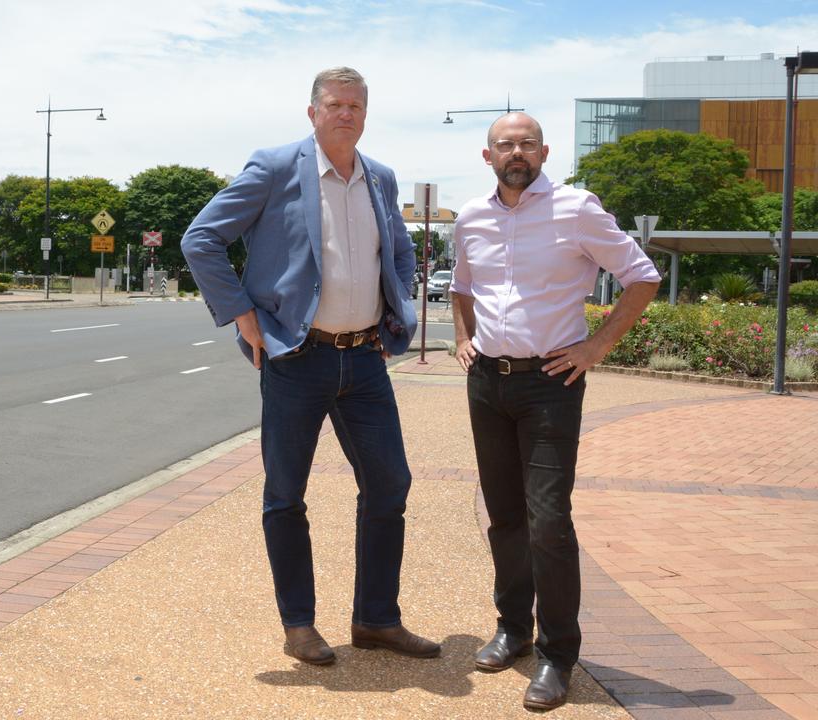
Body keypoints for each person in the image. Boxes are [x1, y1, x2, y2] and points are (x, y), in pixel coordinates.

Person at [182, 66, 438, 666]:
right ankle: (299, 625)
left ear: (366, 113)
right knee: (285, 494)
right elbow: (202, 239)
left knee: (390, 484)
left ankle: (376, 619)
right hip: (297, 358)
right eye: (334, 104)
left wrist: (397, 313)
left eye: (355, 105)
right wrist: (245, 319)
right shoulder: (274, 169)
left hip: (365, 362)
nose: (345, 113)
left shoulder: (380, 176)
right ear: (312, 111)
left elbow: (399, 251)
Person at [451, 112, 660, 710]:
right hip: (488, 382)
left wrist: (597, 346)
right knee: (504, 514)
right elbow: (463, 287)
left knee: (548, 520)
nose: (515, 152)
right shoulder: (471, 216)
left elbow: (640, 277)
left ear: (543, 151)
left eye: (526, 143)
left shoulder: (577, 208)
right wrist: (463, 336)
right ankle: (513, 628)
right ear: (487, 155)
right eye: (504, 144)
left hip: (551, 382)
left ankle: (557, 654)